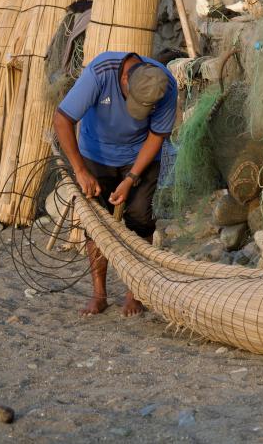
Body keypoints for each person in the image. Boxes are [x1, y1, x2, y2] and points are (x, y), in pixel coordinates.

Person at [53, 52, 178, 316]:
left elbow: (157, 135)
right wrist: (80, 170)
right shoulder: (100, 73)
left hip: (141, 156)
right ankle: (99, 294)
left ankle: (135, 293)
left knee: (141, 220)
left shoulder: (163, 84)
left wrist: (132, 178)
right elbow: (62, 119)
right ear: (123, 80)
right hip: (97, 154)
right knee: (97, 224)